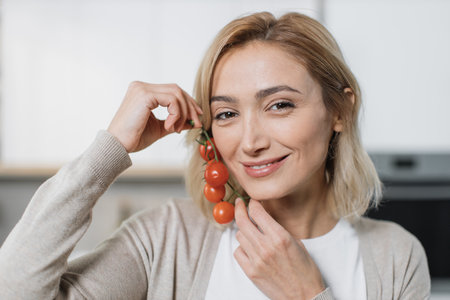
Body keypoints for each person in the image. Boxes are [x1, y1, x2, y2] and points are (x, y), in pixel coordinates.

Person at [0, 11, 430, 300]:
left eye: (279, 104)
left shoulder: (394, 256)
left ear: (340, 110)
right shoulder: (166, 239)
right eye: (226, 113)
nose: (250, 141)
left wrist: (308, 293)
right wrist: (109, 149)